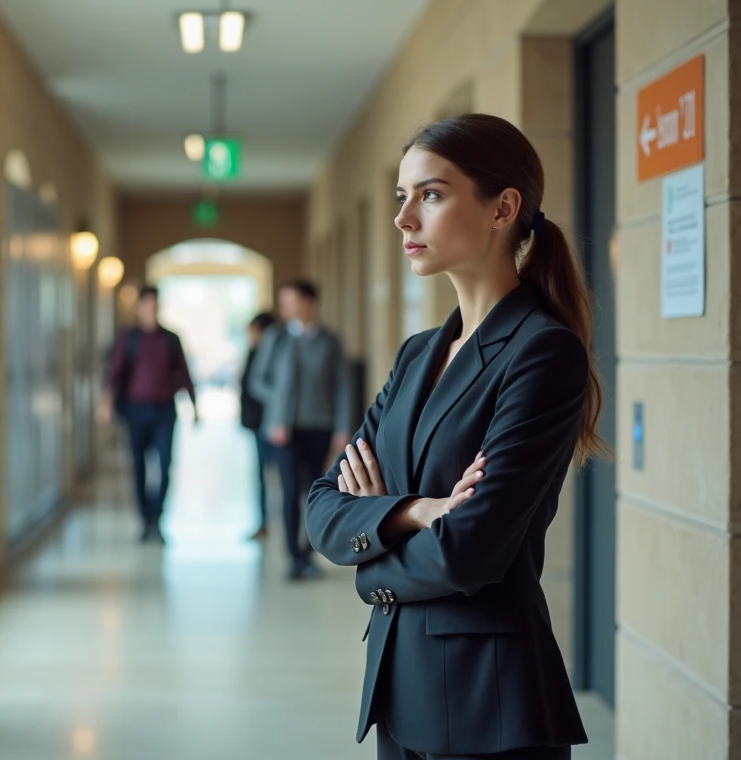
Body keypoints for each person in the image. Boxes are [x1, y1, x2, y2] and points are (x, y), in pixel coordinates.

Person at [305, 113, 604, 759]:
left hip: (486, 701)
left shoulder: (542, 352)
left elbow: (471, 550)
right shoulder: (419, 353)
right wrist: (416, 510)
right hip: (399, 685)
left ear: (503, 208)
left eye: (431, 194)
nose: (403, 218)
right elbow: (323, 506)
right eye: (401, 197)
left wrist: (369, 567)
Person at [249, 280, 351, 581]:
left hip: (319, 427)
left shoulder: (330, 342)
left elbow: (342, 388)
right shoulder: (275, 338)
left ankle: (310, 554)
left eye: (290, 301)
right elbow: (258, 380)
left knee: (315, 492)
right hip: (284, 430)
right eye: (283, 302)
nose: (285, 308)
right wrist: (278, 404)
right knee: (290, 489)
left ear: (308, 302)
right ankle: (294, 556)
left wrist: (342, 428)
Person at [98, 285, 198, 544]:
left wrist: (194, 404)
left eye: (155, 305)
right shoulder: (129, 337)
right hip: (136, 410)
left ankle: (157, 518)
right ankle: (144, 519)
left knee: (165, 465)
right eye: (147, 306)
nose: (151, 310)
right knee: (139, 467)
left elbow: (184, 372)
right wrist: (106, 401)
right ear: (140, 307)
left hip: (165, 410)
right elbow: (116, 371)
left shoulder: (171, 338)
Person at [239, 311, 277, 540]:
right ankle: (263, 521)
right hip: (258, 424)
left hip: (272, 423)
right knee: (262, 473)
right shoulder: (254, 352)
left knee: (276, 474)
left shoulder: (271, 355)